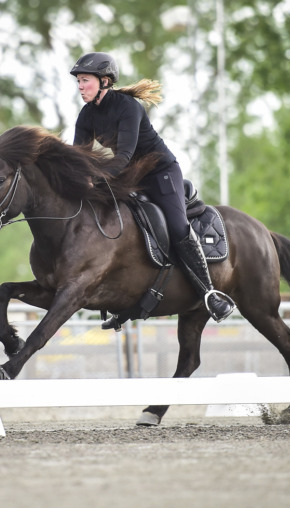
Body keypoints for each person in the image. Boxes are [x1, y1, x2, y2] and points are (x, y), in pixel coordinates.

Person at [70, 51, 234, 323]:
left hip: (160, 173)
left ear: (105, 81)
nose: (80, 87)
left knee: (178, 226)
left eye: (85, 80)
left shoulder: (128, 107)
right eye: (78, 81)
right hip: (130, 176)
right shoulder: (86, 116)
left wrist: (95, 178)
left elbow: (123, 157)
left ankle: (210, 294)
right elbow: (79, 158)